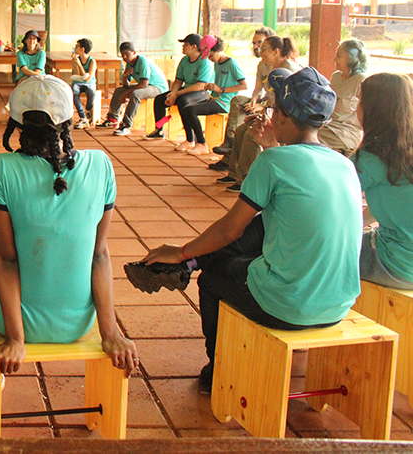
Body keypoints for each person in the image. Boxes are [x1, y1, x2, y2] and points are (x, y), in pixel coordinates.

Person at [125, 67, 361, 394]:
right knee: (265, 223)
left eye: (274, 107)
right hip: (338, 303)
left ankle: (217, 368)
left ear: (282, 116)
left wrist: (179, 250)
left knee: (212, 279)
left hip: (289, 305)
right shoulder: (343, 164)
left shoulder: (274, 163)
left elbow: (230, 230)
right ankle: (188, 264)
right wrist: (268, 146)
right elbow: (287, 192)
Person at [0, 75, 137, 380]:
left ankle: (14, 335)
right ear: (69, 119)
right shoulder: (101, 164)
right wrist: (111, 334)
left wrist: (15, 339)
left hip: (15, 324)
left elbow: (7, 258)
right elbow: (99, 255)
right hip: (78, 324)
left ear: (17, 124)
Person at [217, 35, 300, 193]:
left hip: (286, 116)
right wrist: (259, 106)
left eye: (264, 49)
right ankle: (235, 174)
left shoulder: (291, 70)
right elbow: (264, 92)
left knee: (252, 134)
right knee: (241, 130)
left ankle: (248, 179)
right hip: (271, 110)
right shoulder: (264, 66)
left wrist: (264, 112)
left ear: (276, 51)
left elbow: (288, 102)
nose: (259, 51)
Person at [352, 73, 413, 290]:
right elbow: (396, 204)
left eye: (359, 102)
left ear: (373, 110)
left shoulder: (370, 157)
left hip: (398, 264)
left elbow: (331, 201)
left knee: (317, 252)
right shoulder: (405, 148)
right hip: (406, 254)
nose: (356, 108)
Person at [175, 36, 248, 155]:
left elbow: (244, 85)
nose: (209, 59)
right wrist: (212, 86)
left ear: (217, 50)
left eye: (210, 55)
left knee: (191, 110)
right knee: (185, 108)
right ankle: (191, 140)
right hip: (214, 98)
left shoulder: (232, 63)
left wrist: (221, 89)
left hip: (225, 102)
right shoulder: (217, 63)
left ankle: (202, 144)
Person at [213, 27, 275, 156]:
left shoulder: (279, 65)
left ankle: (237, 161)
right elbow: (258, 88)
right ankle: (229, 143)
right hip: (264, 101)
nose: (256, 46)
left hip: (273, 106)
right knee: (238, 101)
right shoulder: (262, 64)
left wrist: (262, 106)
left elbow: (278, 96)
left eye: (260, 43)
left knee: (246, 132)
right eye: (254, 43)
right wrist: (254, 100)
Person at [145, 34, 214, 141]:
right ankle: (159, 130)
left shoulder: (204, 61)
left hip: (203, 92)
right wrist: (173, 93)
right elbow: (178, 81)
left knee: (183, 101)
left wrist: (177, 94)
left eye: (185, 44)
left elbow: (200, 86)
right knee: (159, 99)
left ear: (194, 46)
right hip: (188, 90)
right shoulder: (184, 60)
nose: (183, 47)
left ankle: (190, 138)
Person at [95, 42, 168, 137]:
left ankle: (126, 125)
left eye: (127, 54)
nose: (125, 57)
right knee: (119, 90)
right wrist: (125, 76)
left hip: (158, 87)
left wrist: (126, 94)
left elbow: (143, 84)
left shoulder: (142, 62)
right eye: (122, 55)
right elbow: (125, 86)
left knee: (136, 94)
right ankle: (112, 119)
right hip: (146, 86)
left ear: (134, 52)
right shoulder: (129, 64)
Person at [318, 39, 368, 157]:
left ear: (352, 59)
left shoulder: (361, 80)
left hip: (347, 133)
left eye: (339, 56)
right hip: (329, 126)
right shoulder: (336, 77)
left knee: (311, 141)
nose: (334, 59)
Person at [69, 38, 97, 130]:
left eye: (77, 46)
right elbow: (77, 74)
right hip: (78, 82)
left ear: (82, 49)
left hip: (89, 83)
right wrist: (75, 63)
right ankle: (83, 117)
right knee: (74, 91)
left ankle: (88, 110)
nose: (75, 48)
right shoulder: (76, 59)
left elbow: (88, 78)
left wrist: (80, 65)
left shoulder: (92, 61)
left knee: (91, 91)